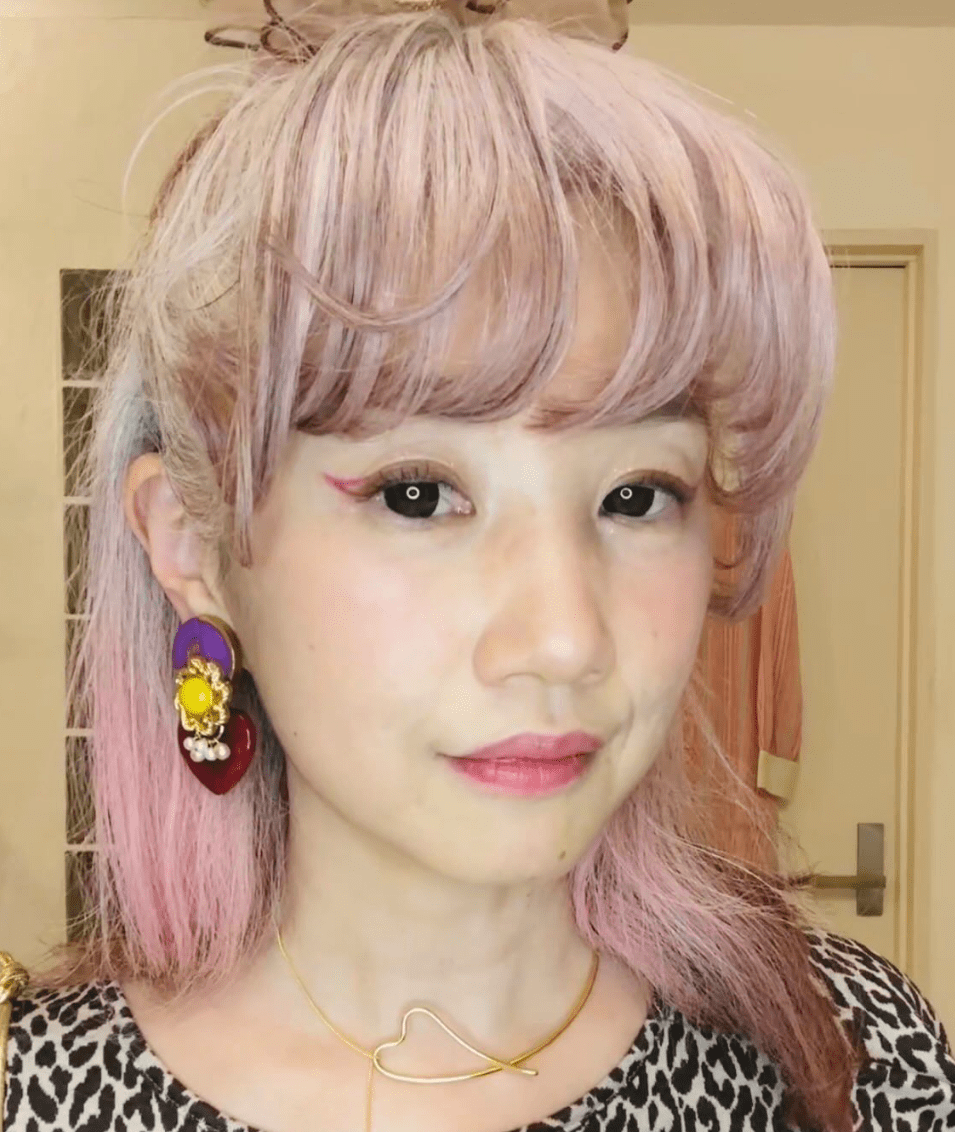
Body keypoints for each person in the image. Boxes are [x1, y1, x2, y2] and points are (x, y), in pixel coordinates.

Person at [3, 1, 954, 1129]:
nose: (564, 639)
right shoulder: (34, 1095)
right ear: (193, 546)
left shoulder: (851, 1062)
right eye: (417, 494)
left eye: (636, 495)